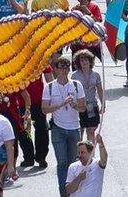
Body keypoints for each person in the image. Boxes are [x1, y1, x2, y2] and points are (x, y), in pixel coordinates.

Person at [43, 55, 85, 197]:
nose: (64, 70)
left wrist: (75, 105)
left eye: (67, 68)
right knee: (62, 163)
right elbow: (44, 109)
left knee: (73, 163)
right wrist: (60, 104)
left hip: (74, 128)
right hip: (58, 129)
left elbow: (83, 107)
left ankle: (73, 191)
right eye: (61, 67)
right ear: (55, 70)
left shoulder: (76, 85)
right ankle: (64, 193)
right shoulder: (49, 87)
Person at [71, 50, 104, 142]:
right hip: (80, 106)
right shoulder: (74, 75)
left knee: (91, 131)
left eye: (86, 60)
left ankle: (90, 154)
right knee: (80, 131)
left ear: (90, 61)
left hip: (91, 106)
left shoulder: (96, 75)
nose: (84, 62)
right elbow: (72, 92)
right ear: (78, 62)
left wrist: (103, 104)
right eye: (82, 60)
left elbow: (100, 90)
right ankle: (79, 154)